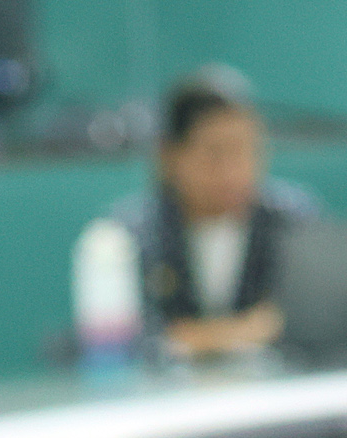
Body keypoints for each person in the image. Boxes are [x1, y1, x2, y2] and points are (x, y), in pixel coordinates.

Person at [102, 66, 315, 359]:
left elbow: (316, 320)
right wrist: (236, 334)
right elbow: (121, 340)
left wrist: (195, 336)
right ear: (169, 156)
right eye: (215, 154)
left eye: (246, 151)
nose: (233, 172)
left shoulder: (292, 222)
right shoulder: (130, 235)